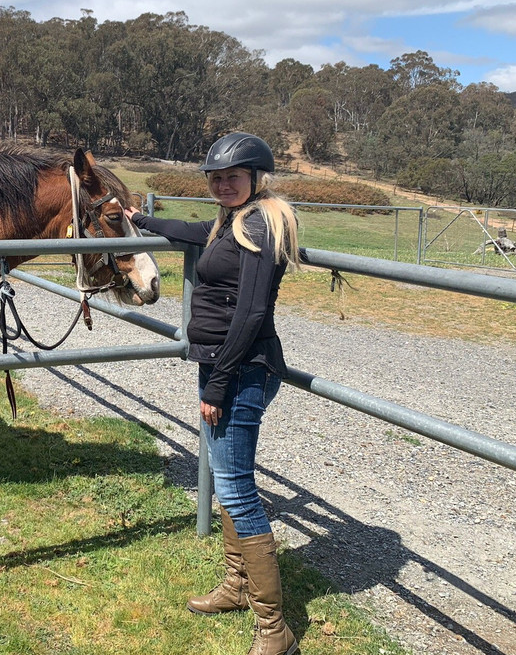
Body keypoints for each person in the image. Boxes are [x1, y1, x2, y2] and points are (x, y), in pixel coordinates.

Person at [125, 132, 301, 655]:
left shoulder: (264, 224)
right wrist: (142, 220)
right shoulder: (230, 222)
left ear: (255, 178)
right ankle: (238, 584)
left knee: (237, 486)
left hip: (242, 370)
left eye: (233, 177)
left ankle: (275, 630)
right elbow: (192, 230)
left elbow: (251, 314)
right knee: (228, 480)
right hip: (224, 366)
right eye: (216, 178)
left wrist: (220, 382)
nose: (223, 185)